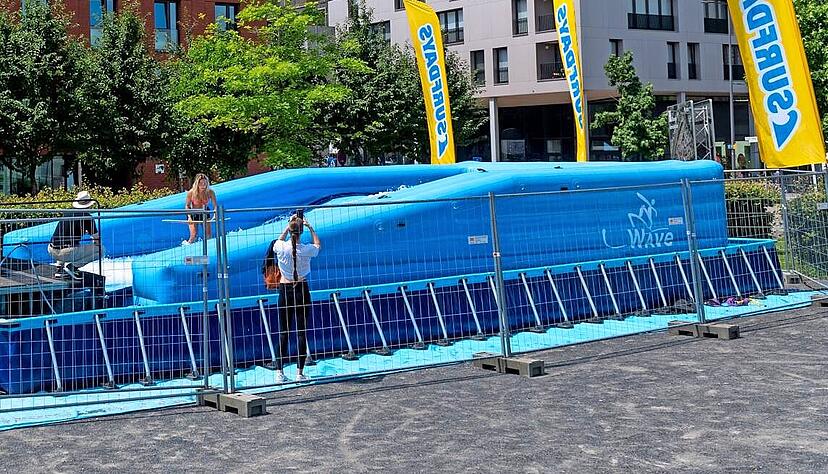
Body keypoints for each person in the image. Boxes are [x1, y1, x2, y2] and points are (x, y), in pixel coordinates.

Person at [273, 213, 321, 383]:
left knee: (283, 332)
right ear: (301, 232)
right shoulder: (306, 249)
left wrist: (288, 225)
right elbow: (317, 245)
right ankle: (299, 372)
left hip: (285, 289)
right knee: (301, 332)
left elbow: (277, 241)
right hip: (301, 289)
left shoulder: (280, 247)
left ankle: (279, 371)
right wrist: (310, 227)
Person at [48, 191, 104, 280]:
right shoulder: (87, 217)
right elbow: (96, 239)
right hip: (67, 252)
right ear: (89, 204)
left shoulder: (68, 212)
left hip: (51, 250)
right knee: (101, 250)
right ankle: (72, 267)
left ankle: (59, 269)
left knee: (68, 243)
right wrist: (95, 243)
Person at [183, 173, 218, 245]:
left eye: (205, 183)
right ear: (197, 184)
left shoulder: (210, 192)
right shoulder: (191, 193)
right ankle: (187, 247)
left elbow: (215, 206)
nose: (203, 185)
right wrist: (189, 217)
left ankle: (208, 250)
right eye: (201, 183)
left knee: (208, 235)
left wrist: (215, 215)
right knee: (194, 235)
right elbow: (187, 205)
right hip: (193, 213)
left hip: (204, 212)